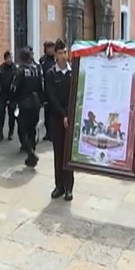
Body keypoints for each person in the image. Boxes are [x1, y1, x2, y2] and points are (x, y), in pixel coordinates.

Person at [46, 39, 74, 201]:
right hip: (57, 118)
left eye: (65, 52)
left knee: (68, 154)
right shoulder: (51, 73)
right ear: (56, 55)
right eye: (61, 53)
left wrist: (69, 115)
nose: (64, 55)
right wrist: (63, 115)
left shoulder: (73, 72)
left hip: (70, 119)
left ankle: (69, 187)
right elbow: (52, 97)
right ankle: (59, 186)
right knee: (58, 153)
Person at [11, 47, 43, 167]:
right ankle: (32, 149)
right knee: (32, 128)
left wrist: (13, 101)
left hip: (24, 103)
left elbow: (14, 88)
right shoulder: (37, 69)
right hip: (35, 103)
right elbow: (41, 86)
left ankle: (30, 152)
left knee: (22, 129)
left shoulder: (20, 71)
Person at [0, 51, 16, 142]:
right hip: (2, 95)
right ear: (5, 59)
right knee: (1, 114)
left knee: (11, 115)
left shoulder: (15, 68)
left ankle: (11, 132)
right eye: (8, 58)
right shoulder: (1, 68)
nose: (10, 59)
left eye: (11, 57)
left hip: (12, 96)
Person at [40, 41, 56, 141]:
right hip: (46, 91)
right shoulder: (42, 60)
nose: (50, 50)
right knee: (47, 114)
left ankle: (54, 133)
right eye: (48, 48)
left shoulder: (56, 59)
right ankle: (48, 133)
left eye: (52, 47)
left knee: (53, 114)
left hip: (55, 91)